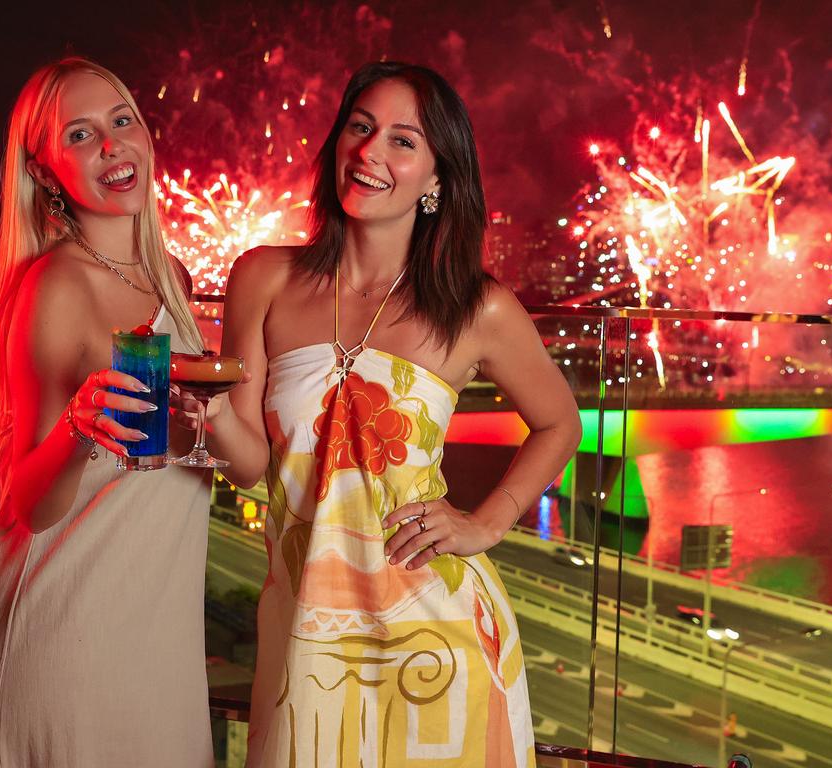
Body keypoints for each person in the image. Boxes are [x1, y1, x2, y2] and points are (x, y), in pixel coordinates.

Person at [206, 61, 581, 767]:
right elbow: (253, 464)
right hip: (303, 633)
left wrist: (486, 521)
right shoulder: (263, 277)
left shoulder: (479, 308)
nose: (371, 150)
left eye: (403, 141)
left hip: (436, 631)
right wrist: (205, 412)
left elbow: (560, 422)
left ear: (438, 179)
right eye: (360, 126)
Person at [0, 58, 214, 767]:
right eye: (82, 135)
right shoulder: (54, 286)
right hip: (63, 631)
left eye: (122, 121)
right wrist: (75, 425)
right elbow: (27, 502)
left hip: (155, 633)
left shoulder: (174, 280)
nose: (112, 146)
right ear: (44, 169)